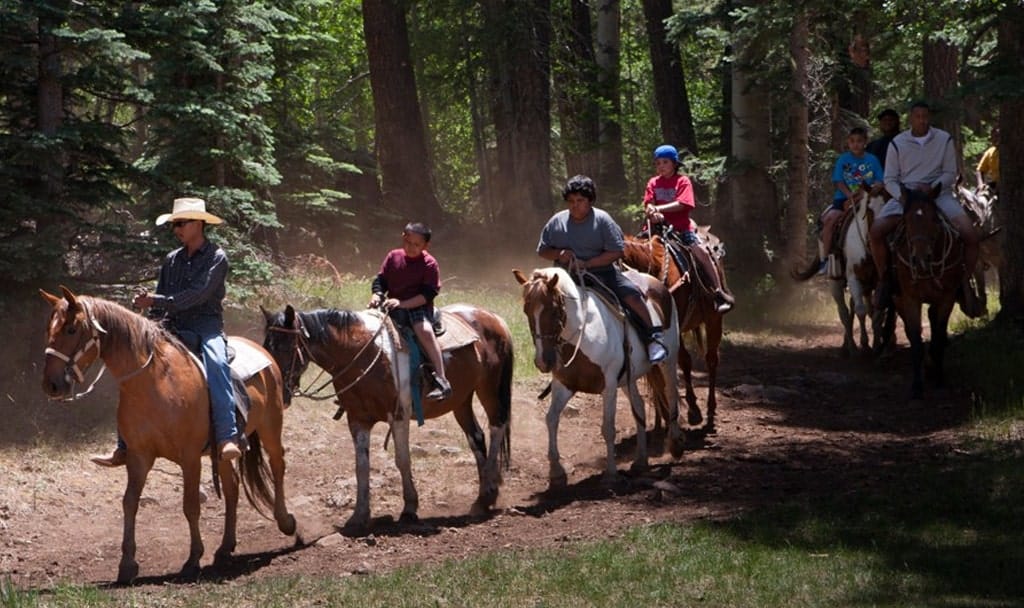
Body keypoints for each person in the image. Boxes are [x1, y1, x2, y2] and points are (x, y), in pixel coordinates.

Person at [92, 197, 241, 467]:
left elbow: (197, 295)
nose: (177, 229)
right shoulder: (172, 260)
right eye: (175, 224)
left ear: (199, 224)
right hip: (171, 327)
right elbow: (162, 297)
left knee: (217, 363)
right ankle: (123, 446)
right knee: (134, 368)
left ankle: (227, 436)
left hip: (206, 327)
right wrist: (148, 321)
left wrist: (156, 300)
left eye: (181, 223)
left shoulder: (217, 258)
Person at [538, 175, 667, 363]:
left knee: (632, 295)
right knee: (543, 306)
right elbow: (543, 250)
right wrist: (558, 254)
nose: (575, 205)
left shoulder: (602, 220)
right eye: (571, 201)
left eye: (580, 200)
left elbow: (617, 251)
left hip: (603, 274)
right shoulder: (557, 221)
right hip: (567, 277)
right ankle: (548, 348)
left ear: (590, 201)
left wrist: (588, 264)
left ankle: (654, 338)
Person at [869, 102, 981, 312]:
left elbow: (950, 172)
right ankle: (884, 279)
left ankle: (964, 283)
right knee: (875, 232)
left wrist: (933, 186)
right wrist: (901, 196)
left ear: (929, 118)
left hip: (938, 195)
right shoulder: (897, 143)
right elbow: (890, 178)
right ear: (910, 118)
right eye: (917, 116)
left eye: (925, 116)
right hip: (906, 196)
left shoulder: (943, 139)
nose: (922, 120)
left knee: (971, 236)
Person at [642, 144, 734, 313]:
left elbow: (684, 203)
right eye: (658, 163)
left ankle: (718, 292)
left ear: (674, 164)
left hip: (680, 229)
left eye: (665, 162)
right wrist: (651, 212)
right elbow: (648, 203)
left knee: (703, 253)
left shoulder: (682, 181)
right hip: (655, 229)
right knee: (634, 250)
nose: (661, 166)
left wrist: (659, 209)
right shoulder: (653, 182)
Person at [368, 222, 452, 401]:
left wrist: (403, 303)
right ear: (403, 238)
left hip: (417, 308)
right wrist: (377, 294)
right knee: (365, 329)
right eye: (408, 242)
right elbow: (381, 280)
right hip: (392, 304)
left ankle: (441, 380)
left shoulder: (429, 264)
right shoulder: (393, 256)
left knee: (425, 331)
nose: (410, 247)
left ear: (425, 246)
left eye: (416, 245)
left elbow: (427, 294)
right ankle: (361, 381)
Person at [819, 127, 885, 267]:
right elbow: (838, 181)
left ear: (865, 142)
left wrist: (872, 189)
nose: (856, 144)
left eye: (859, 141)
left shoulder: (872, 160)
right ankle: (826, 259)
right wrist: (849, 194)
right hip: (843, 197)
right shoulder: (843, 160)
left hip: (868, 198)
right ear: (848, 142)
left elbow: (880, 180)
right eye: (852, 141)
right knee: (830, 220)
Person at [975, 126, 999, 193]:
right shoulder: (990, 152)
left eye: (997, 136)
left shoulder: (1013, 152)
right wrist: (980, 184)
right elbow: (979, 170)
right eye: (993, 137)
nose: (995, 139)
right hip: (994, 186)